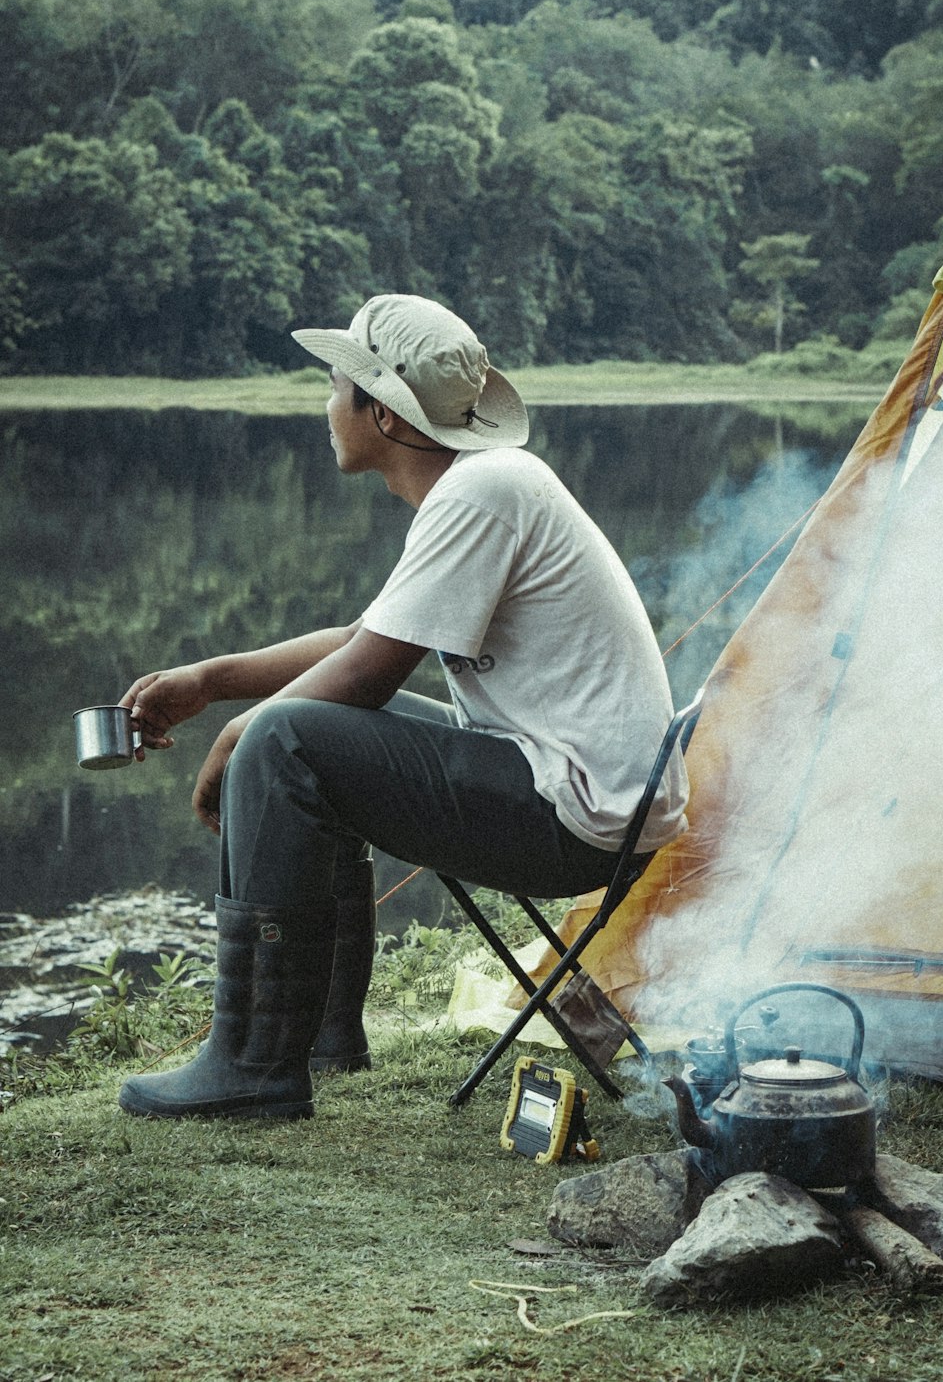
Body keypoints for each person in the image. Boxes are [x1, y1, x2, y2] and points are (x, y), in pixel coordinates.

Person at [116, 294, 689, 1120]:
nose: (326, 405)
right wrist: (209, 680)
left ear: (381, 412)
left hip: (574, 818)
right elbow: (365, 637)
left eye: (337, 387)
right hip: (582, 795)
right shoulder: (482, 484)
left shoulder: (481, 493)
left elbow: (367, 676)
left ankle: (252, 1065)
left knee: (287, 740)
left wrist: (240, 733)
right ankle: (321, 1037)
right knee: (307, 735)